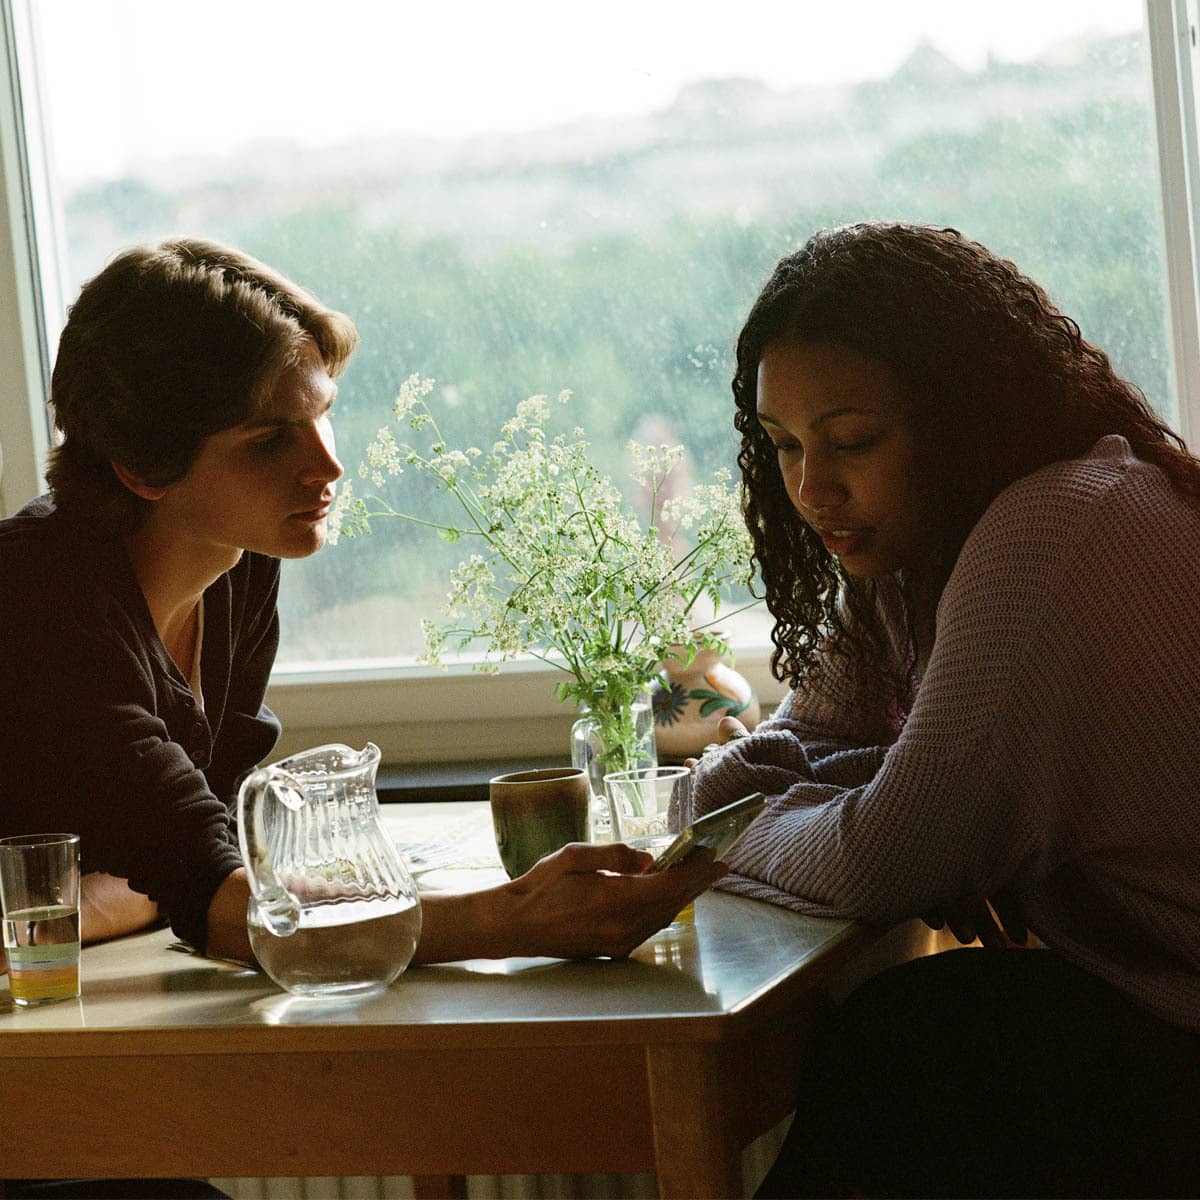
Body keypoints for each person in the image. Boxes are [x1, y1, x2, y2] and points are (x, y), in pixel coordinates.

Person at [0, 237, 724, 975]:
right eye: (270, 440)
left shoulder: (238, 565)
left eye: (323, 415)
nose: (328, 465)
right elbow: (223, 908)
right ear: (144, 465)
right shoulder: (39, 608)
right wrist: (518, 920)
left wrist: (142, 892)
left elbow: (196, 872)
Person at [675, 222, 1200, 1198]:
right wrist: (838, 788)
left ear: (963, 415)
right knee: (910, 1037)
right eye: (782, 445)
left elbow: (881, 860)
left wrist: (725, 822)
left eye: (853, 441)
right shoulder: (909, 548)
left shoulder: (1054, 532)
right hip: (1156, 1016)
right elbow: (813, 743)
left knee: (912, 1047)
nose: (810, 487)